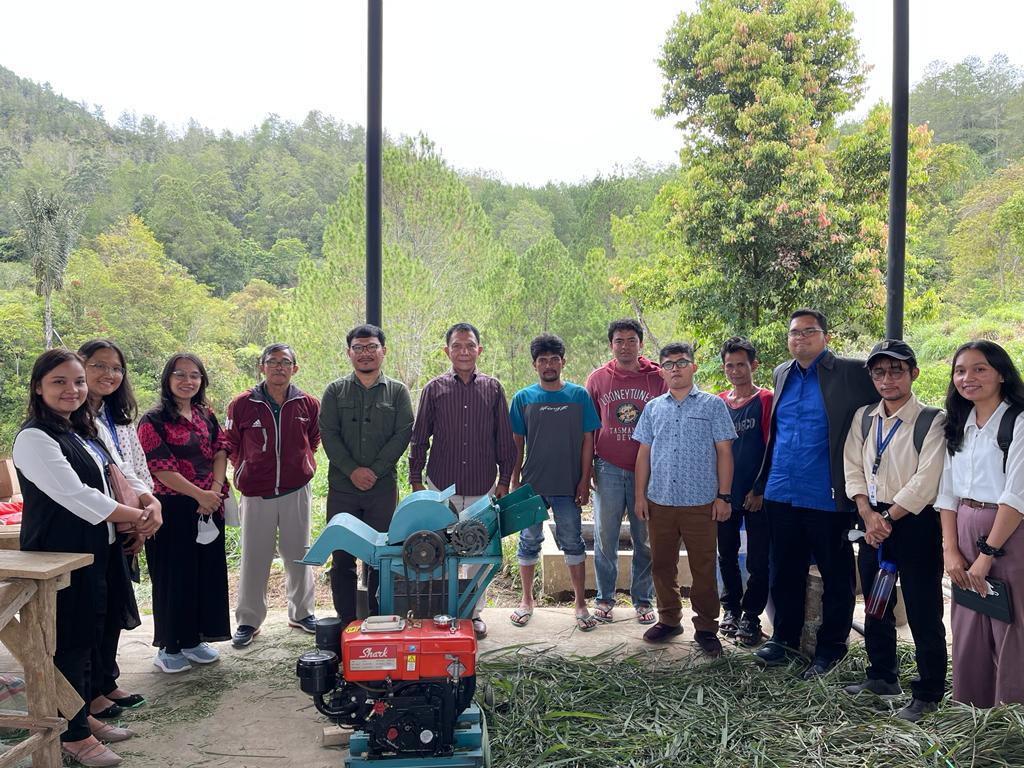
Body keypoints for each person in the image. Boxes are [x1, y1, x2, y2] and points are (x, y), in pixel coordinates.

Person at [14, 350, 161, 767]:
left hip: (98, 546)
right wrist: (140, 517)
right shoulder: (34, 438)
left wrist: (151, 503)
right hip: (60, 553)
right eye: (59, 381)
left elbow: (120, 473)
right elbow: (77, 497)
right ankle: (73, 736)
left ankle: (82, 715)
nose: (72, 389)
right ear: (39, 387)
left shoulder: (83, 430)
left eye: (78, 381)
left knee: (95, 632)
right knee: (71, 641)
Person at [753, 309, 879, 676]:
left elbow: (888, 399)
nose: (800, 338)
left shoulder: (854, 373)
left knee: (836, 577)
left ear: (826, 336)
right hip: (781, 491)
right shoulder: (781, 373)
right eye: (794, 332)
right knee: (785, 572)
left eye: (809, 332)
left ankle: (831, 648)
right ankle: (784, 639)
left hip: (828, 494)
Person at [842, 339, 947, 722]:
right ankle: (883, 676)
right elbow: (852, 465)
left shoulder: (932, 420)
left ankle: (930, 691)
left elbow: (927, 479)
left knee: (923, 609)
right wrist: (867, 513)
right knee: (875, 605)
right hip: (871, 520)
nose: (888, 379)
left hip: (913, 523)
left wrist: (885, 520)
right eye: (879, 372)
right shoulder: (865, 417)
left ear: (913, 374)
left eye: (896, 371)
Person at [409, 322, 516, 638]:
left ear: (479, 350)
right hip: (442, 487)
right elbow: (419, 439)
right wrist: (416, 482)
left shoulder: (493, 388)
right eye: (457, 346)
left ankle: (473, 614)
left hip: (483, 486)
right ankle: (443, 614)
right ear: (447, 351)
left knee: (478, 554)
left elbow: (504, 441)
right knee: (441, 551)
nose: (464, 351)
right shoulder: (434, 388)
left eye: (470, 345)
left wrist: (504, 481)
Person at [936, 340, 1024, 707]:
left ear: (1001, 374)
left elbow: (1016, 496)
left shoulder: (1017, 422)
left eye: (979, 369)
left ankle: (1010, 713)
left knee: (1011, 624)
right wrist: (951, 550)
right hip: (964, 526)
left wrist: (986, 555)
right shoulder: (959, 424)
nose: (967, 378)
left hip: (1008, 532)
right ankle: (971, 709)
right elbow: (947, 492)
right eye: (960, 370)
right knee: (969, 622)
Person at [633, 343, 736, 656]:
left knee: (703, 567)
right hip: (660, 501)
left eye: (681, 362)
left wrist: (723, 496)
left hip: (701, 503)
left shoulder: (712, 406)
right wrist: (640, 495)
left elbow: (724, 452)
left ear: (693, 367)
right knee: (662, 565)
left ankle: (706, 627)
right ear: (662, 371)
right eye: (668, 364)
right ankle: (669, 619)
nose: (675, 368)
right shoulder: (653, 408)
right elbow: (643, 454)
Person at [138, 353, 231, 674]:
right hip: (172, 509)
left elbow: (222, 449)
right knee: (173, 576)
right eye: (180, 374)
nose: (187, 381)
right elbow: (161, 469)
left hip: (210, 504)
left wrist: (215, 490)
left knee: (205, 573)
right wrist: (200, 495)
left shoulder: (206, 414)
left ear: (202, 381)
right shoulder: (152, 420)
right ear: (167, 378)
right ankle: (170, 645)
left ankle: (194, 639)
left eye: (195, 375)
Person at [225, 343, 321, 647]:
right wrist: (247, 469)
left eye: (285, 362)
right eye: (272, 361)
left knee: (300, 555)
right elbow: (231, 445)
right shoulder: (242, 404)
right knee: (255, 557)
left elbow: (314, 440)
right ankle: (249, 620)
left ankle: (302, 612)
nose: (279, 367)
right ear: (261, 366)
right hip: (256, 493)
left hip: (296, 491)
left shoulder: (307, 403)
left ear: (295, 368)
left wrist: (300, 465)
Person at [79, 339, 153, 719]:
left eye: (116, 368)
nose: (109, 374)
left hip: (125, 521)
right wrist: (135, 513)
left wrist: (147, 505)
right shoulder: (67, 422)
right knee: (91, 613)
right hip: (91, 529)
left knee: (114, 608)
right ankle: (89, 693)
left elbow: (131, 468)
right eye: (98, 366)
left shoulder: (115, 417)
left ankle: (106, 681)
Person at [320, 325, 413, 625]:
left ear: (383, 351)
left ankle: (378, 620)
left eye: (371, 347)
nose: (365, 353)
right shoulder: (335, 391)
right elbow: (329, 434)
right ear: (349, 353)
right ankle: (346, 623)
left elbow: (403, 433)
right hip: (342, 489)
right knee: (343, 558)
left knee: (381, 558)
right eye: (358, 348)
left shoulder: (398, 391)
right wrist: (352, 470)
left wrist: (373, 471)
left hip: (382, 489)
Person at [508, 334, 602, 632]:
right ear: (535, 364)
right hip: (532, 485)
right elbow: (516, 444)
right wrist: (513, 482)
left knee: (573, 542)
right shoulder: (523, 398)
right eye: (542, 360)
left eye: (554, 359)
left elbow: (589, 440)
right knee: (528, 542)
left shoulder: (578, 396)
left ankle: (580, 603)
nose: (549, 365)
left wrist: (584, 480)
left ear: (563, 362)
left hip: (568, 484)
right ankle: (526, 601)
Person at [586, 318, 666, 626]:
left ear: (641, 344)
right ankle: (605, 598)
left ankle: (643, 599)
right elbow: (590, 428)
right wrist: (590, 464)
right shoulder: (597, 379)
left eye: (631, 340)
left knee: (643, 537)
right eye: (619, 341)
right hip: (607, 466)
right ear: (611, 345)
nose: (625, 346)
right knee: (605, 537)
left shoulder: (657, 377)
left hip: (646, 470)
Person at [716, 336, 773, 645]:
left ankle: (751, 617)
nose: (735, 371)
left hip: (756, 496)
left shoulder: (765, 400)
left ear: (753, 365)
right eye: (729, 365)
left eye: (741, 364)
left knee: (758, 560)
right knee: (725, 555)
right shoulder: (719, 401)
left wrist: (759, 489)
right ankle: (731, 611)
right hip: (725, 494)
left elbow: (771, 447)